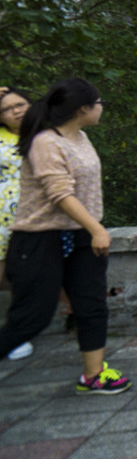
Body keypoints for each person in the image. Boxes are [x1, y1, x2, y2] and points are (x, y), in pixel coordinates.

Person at [0, 78, 131, 394]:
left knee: (91, 304)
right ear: (83, 108)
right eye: (98, 102)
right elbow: (59, 193)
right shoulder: (46, 142)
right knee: (32, 317)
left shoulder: (81, 137)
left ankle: (93, 375)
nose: (101, 108)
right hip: (42, 237)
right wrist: (97, 228)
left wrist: (91, 229)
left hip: (82, 237)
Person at [0, 87, 34, 360]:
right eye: (7, 109)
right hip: (2, 220)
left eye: (20, 104)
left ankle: (18, 330)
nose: (16, 111)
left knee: (25, 275)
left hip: (35, 218)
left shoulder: (44, 134)